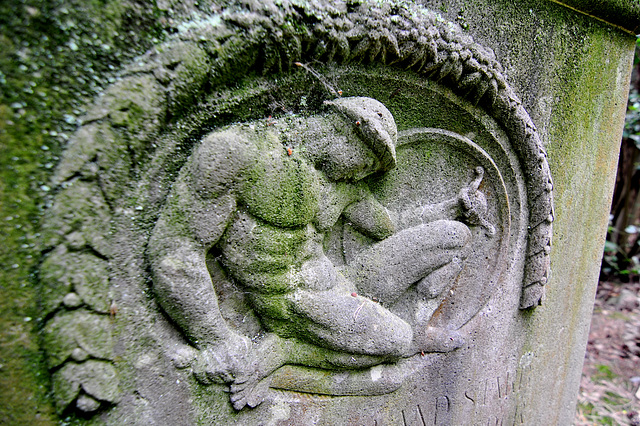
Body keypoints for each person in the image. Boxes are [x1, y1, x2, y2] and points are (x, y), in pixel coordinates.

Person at [147, 97, 490, 409]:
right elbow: (175, 251)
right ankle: (284, 349)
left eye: (371, 170)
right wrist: (214, 337)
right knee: (397, 341)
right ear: (345, 130)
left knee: (453, 237)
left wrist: (455, 207)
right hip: (292, 303)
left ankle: (415, 326)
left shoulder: (342, 185)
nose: (363, 173)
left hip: (341, 284)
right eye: (367, 161)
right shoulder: (238, 154)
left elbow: (391, 225)